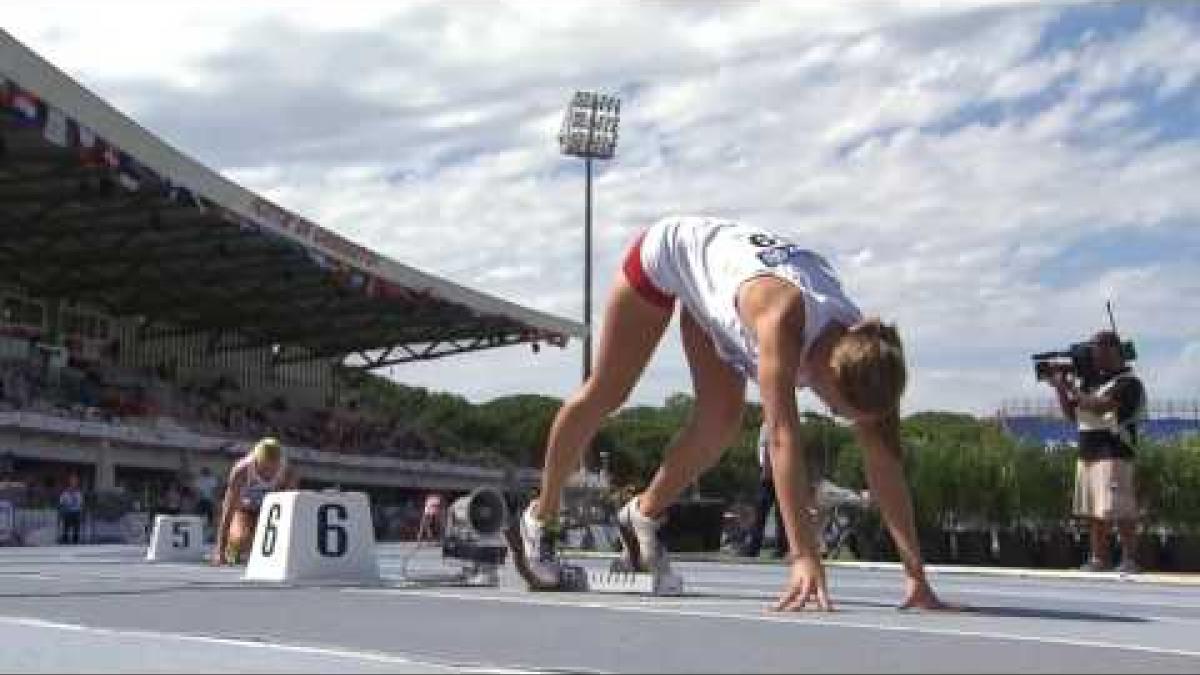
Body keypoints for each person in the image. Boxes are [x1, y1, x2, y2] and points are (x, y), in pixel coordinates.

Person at [517, 215, 948, 610]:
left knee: (720, 423)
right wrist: (803, 556)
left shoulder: (870, 356)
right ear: (825, 370)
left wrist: (916, 577)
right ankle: (542, 516)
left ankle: (641, 514)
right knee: (609, 392)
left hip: (720, 295)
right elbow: (781, 437)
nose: (836, 416)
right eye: (837, 409)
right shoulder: (783, 321)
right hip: (668, 255)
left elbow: (885, 464)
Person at [1047, 330, 1146, 574]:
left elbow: (1101, 407)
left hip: (1114, 451)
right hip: (1088, 452)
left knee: (1121, 507)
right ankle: (1099, 557)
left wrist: (1072, 389)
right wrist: (1060, 389)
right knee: (1094, 510)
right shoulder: (1092, 383)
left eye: (1096, 349)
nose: (1091, 354)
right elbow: (1073, 414)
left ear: (1112, 349)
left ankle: (1130, 558)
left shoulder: (1128, 383)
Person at [212, 437, 299, 565]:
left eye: (273, 467)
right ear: (257, 460)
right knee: (242, 539)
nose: (268, 472)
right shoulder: (241, 471)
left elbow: (290, 508)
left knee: (266, 542)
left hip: (268, 511)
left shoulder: (287, 473)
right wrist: (220, 550)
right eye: (265, 467)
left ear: (279, 463)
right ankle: (234, 544)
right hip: (244, 509)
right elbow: (228, 509)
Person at [745, 424, 790, 558]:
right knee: (776, 513)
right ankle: (780, 548)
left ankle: (755, 548)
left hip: (771, 473)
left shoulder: (770, 424)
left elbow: (768, 448)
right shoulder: (768, 424)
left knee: (762, 512)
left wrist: (766, 471)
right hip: (774, 472)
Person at [57, 473, 84, 545]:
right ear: (70, 482)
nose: (74, 482)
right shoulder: (65, 492)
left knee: (76, 528)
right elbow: (61, 501)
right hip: (68, 512)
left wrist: (80, 509)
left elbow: (80, 502)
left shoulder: (79, 492)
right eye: (72, 481)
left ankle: (75, 541)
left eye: (75, 481)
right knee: (66, 528)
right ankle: (65, 540)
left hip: (76, 512)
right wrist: (63, 508)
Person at [193, 466, 220, 531]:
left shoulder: (212, 479)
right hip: (202, 500)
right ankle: (199, 527)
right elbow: (197, 491)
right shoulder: (199, 479)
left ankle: (209, 528)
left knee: (210, 517)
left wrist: (215, 501)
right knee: (200, 516)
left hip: (209, 500)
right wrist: (197, 500)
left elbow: (215, 490)